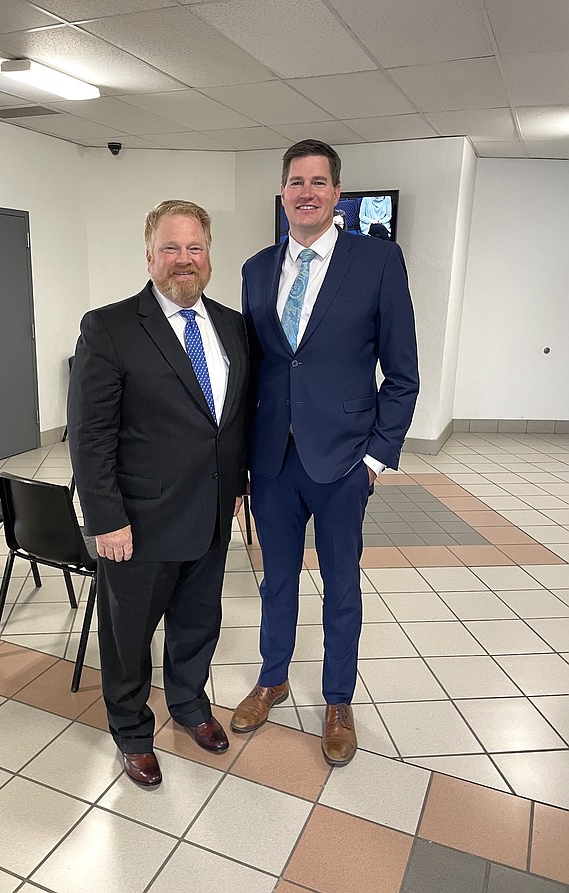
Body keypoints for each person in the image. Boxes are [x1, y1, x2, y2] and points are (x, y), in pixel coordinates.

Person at [232, 140, 419, 766]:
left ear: (337, 193)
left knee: (341, 586)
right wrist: (240, 464)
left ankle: (338, 699)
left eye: (318, 181)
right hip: (273, 462)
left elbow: (401, 373)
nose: (306, 192)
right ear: (282, 192)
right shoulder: (257, 268)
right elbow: (256, 369)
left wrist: (376, 458)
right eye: (295, 181)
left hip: (342, 462)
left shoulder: (378, 262)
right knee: (276, 580)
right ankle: (273, 678)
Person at [68, 200, 248, 787]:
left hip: (212, 513)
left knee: (198, 623)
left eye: (194, 247)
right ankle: (131, 728)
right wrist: (105, 519)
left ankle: (191, 705)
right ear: (149, 257)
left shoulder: (232, 326)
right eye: (170, 248)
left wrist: (240, 485)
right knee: (129, 635)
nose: (183, 260)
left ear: (209, 255)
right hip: (138, 523)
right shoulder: (111, 327)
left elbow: (232, 419)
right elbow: (90, 434)